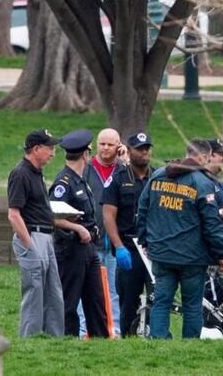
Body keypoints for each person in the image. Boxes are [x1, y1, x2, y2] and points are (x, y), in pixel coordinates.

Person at [136, 139, 223, 339]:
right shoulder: (203, 183)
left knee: (162, 301)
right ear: (204, 156)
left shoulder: (158, 176)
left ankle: (159, 341)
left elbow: (142, 210)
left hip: (161, 254)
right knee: (192, 304)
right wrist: (220, 254)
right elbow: (212, 223)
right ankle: (189, 344)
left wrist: (144, 241)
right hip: (192, 258)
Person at [49, 129, 109, 338]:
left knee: (96, 300)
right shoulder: (63, 183)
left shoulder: (80, 179)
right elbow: (53, 217)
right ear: (85, 154)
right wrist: (78, 228)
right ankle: (67, 341)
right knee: (69, 300)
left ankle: (100, 342)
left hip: (89, 247)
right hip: (71, 248)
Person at [7, 129, 65, 338]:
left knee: (53, 292)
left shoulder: (35, 172)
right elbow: (14, 215)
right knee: (34, 293)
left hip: (45, 237)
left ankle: (53, 340)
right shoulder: (20, 173)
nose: (53, 153)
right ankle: (29, 340)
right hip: (33, 237)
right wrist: (30, 246)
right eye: (49, 148)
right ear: (36, 149)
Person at [102, 132, 154, 336]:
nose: (144, 152)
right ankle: (128, 337)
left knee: (157, 298)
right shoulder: (118, 179)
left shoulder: (158, 178)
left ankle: (153, 336)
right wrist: (119, 247)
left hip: (152, 248)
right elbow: (108, 216)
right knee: (128, 300)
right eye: (139, 149)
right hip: (129, 248)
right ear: (129, 151)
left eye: (147, 148)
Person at [82, 128, 127, 336]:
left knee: (114, 290)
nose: (106, 148)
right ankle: (84, 331)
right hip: (91, 241)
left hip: (115, 243)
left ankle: (114, 329)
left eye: (110, 144)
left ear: (119, 146)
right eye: (102, 144)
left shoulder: (124, 170)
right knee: (87, 289)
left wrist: (126, 164)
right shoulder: (87, 168)